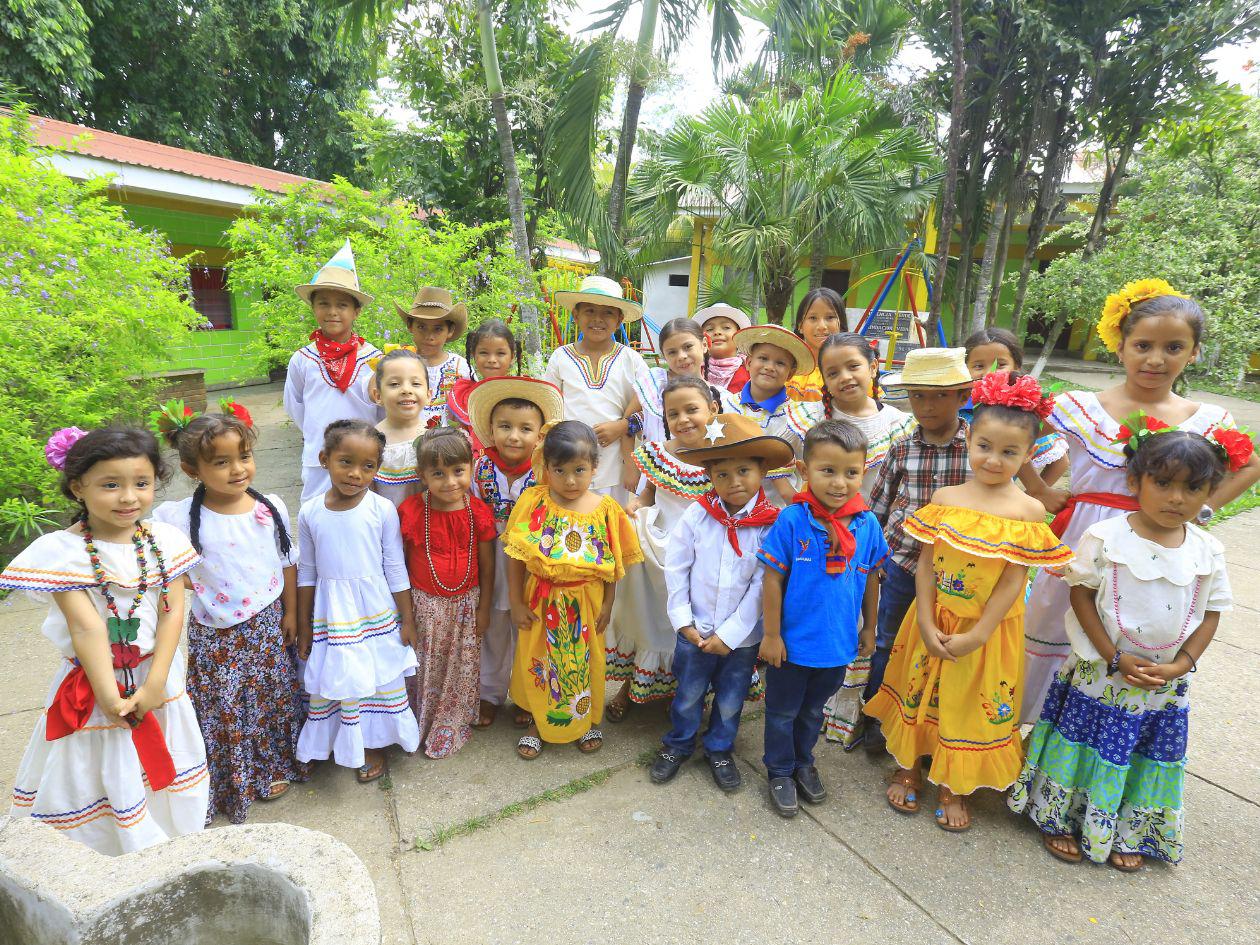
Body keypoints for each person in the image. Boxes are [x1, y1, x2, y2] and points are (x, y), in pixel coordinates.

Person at [1019, 281, 1260, 721]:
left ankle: (1092, 737)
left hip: (1156, 552)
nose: (1155, 359)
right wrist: (1038, 489)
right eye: (1143, 345)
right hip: (1083, 541)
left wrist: (1202, 508)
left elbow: (1250, 465)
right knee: (1055, 625)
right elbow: (1014, 435)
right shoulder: (1081, 407)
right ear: (1120, 347)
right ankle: (1031, 733)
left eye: (1174, 347)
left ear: (1194, 353)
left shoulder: (1207, 420)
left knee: (1129, 634)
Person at [1011, 423, 1248, 871]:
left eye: (1192, 488)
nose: (1176, 498)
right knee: (1081, 744)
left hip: (1161, 685)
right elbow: (1081, 595)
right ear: (1135, 481)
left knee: (1138, 754)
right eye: (1164, 483)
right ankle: (1058, 816)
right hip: (1099, 672)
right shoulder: (1106, 537)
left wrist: (1181, 665)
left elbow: (1211, 613)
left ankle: (1127, 828)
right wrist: (1112, 656)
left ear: (1210, 492)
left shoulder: (1208, 550)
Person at [864, 372, 1071, 832]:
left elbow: (1014, 580)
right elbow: (925, 564)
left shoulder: (1028, 511)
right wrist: (923, 617)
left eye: (1009, 452)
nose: (993, 460)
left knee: (968, 702)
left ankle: (954, 785)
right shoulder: (946, 498)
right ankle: (909, 765)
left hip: (988, 630)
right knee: (920, 690)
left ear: (1027, 455)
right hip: (933, 617)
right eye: (985, 446)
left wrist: (979, 633)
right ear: (969, 439)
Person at [1, 426, 207, 853]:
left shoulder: (165, 540)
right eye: (110, 485)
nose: (128, 497)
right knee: (98, 763)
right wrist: (109, 697)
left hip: (157, 677)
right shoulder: (62, 553)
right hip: (96, 683)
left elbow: (172, 613)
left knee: (163, 760)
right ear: (79, 486)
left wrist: (155, 685)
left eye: (141, 483)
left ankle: (163, 841)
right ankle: (107, 848)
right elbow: (87, 627)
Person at [153, 402, 307, 824]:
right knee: (226, 706)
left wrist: (292, 614)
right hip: (216, 635)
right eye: (221, 462)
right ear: (192, 470)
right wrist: (198, 585)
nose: (238, 469)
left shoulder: (269, 507)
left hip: (267, 624)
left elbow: (287, 562)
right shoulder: (177, 519)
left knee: (271, 697)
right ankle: (232, 777)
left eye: (244, 456)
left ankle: (272, 765)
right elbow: (164, 566)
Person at [649, 414, 791, 792]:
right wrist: (683, 620)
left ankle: (720, 747)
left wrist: (729, 635)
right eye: (722, 474)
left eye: (744, 471)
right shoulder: (698, 514)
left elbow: (763, 585)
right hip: (694, 630)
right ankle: (678, 743)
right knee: (688, 692)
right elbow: (677, 566)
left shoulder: (771, 524)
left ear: (762, 470)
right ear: (709, 475)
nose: (734, 482)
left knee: (730, 698)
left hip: (740, 640)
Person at [756, 420, 889, 817]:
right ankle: (780, 770)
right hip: (791, 646)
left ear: (863, 473)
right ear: (804, 470)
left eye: (851, 472)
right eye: (827, 470)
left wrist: (870, 627)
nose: (839, 483)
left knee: (813, 712)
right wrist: (772, 635)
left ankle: (803, 762)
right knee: (782, 713)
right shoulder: (792, 520)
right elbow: (772, 579)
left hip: (836, 646)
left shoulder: (867, 524)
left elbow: (871, 577)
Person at [503, 420, 643, 759]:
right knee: (542, 660)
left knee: (584, 660)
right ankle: (539, 722)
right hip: (541, 600)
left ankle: (586, 720)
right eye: (559, 470)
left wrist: (608, 604)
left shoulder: (606, 510)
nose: (569, 480)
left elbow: (613, 565)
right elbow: (516, 556)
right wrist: (516, 602)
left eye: (579, 470)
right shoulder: (534, 502)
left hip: (586, 601)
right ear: (546, 467)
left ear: (595, 467)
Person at [295, 420, 420, 783]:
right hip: (332, 614)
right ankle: (332, 741)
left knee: (376, 677)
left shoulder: (382, 510)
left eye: (368, 466)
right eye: (345, 462)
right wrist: (303, 624)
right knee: (340, 676)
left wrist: (407, 618)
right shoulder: (310, 512)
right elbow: (307, 572)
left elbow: (395, 566)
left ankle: (372, 742)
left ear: (377, 469)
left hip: (374, 610)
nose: (355, 474)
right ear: (324, 459)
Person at [863, 347, 974, 756]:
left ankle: (932, 725)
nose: (927, 406)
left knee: (943, 646)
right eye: (918, 396)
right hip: (902, 563)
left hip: (958, 573)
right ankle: (877, 718)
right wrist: (871, 560)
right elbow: (876, 508)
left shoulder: (977, 449)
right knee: (888, 641)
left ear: (963, 396)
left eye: (940, 395)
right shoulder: (901, 448)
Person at [809, 332, 915, 749]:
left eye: (853, 366)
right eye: (832, 372)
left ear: (873, 367)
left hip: (874, 541)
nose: (845, 377)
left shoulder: (899, 424)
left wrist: (885, 543)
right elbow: (787, 469)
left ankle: (852, 715)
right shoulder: (812, 420)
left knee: (865, 626)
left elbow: (902, 490)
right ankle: (817, 706)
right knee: (827, 617)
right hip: (822, 541)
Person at [606, 376, 726, 718]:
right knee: (649, 617)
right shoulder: (659, 454)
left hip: (703, 552)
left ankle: (688, 689)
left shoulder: (723, 455)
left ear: (712, 409)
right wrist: (634, 507)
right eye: (673, 414)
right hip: (658, 547)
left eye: (692, 410)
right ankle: (632, 685)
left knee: (690, 623)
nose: (683, 419)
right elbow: (648, 495)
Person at [466, 377, 564, 729]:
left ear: (539, 436)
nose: (514, 436)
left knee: (529, 628)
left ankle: (527, 694)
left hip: (530, 561)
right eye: (505, 426)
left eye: (525, 429)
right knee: (493, 627)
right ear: (491, 430)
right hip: (490, 558)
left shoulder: (545, 473)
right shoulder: (479, 468)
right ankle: (490, 693)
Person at [398, 428, 497, 758]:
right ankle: (420, 719)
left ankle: (451, 721)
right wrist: (406, 616)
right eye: (438, 473)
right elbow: (400, 565)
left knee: (460, 665)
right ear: (422, 475)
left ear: (471, 468)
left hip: (466, 606)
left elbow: (488, 566)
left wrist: (484, 609)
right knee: (426, 664)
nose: (450, 482)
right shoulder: (412, 511)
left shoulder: (477, 512)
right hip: (424, 606)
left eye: (458, 471)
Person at [284, 240, 383, 503]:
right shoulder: (303, 359)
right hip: (320, 457)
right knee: (317, 512)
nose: (332, 312)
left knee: (364, 514)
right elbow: (296, 406)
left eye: (342, 305)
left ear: (356, 311)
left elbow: (383, 409)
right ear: (313, 308)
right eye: (324, 304)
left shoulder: (374, 360)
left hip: (364, 460)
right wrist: (318, 433)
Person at [544, 275, 650, 504]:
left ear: (619, 319)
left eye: (608, 313)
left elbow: (651, 409)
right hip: (567, 465)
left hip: (615, 467)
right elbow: (548, 408)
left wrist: (622, 426)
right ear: (576, 315)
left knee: (610, 520)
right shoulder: (560, 358)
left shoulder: (632, 360)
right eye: (589, 311)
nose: (597, 319)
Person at [619, 318, 741, 494]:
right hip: (653, 481)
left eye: (688, 347)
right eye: (672, 352)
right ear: (664, 355)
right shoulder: (653, 385)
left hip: (704, 484)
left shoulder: (722, 398)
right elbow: (627, 424)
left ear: (704, 345)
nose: (681, 356)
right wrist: (630, 467)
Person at [961, 327, 1068, 487]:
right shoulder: (956, 408)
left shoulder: (1020, 415)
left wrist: (1036, 494)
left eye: (1000, 364)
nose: (989, 373)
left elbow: (1060, 462)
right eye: (978, 366)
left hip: (1002, 500)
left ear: (1016, 367)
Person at [730, 323, 817, 503]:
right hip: (728, 506)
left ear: (790, 374)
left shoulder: (797, 417)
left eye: (780, 363)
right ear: (748, 362)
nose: (770, 367)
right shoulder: (727, 405)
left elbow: (807, 464)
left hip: (777, 510)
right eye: (763, 358)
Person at [394, 287, 472, 431]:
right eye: (421, 327)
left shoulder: (460, 366)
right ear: (410, 326)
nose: (429, 336)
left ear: (450, 330)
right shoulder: (399, 363)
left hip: (450, 441)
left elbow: (472, 410)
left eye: (438, 329)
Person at [447, 319, 523, 451]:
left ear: (512, 357)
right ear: (473, 354)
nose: (492, 360)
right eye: (484, 353)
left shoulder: (523, 394)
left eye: (500, 353)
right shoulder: (464, 397)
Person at [369, 348, 431, 507]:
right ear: (378, 396)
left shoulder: (436, 435)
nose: (406, 390)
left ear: (428, 394)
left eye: (415, 383)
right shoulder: (370, 441)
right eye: (394, 384)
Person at [786, 287, 849, 403]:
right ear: (800, 325)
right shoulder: (786, 370)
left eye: (830, 317)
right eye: (813, 318)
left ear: (841, 324)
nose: (822, 326)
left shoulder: (853, 371)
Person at [697, 303, 752, 393]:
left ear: (739, 336)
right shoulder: (696, 370)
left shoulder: (750, 371)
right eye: (710, 329)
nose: (717, 332)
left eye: (726, 327)